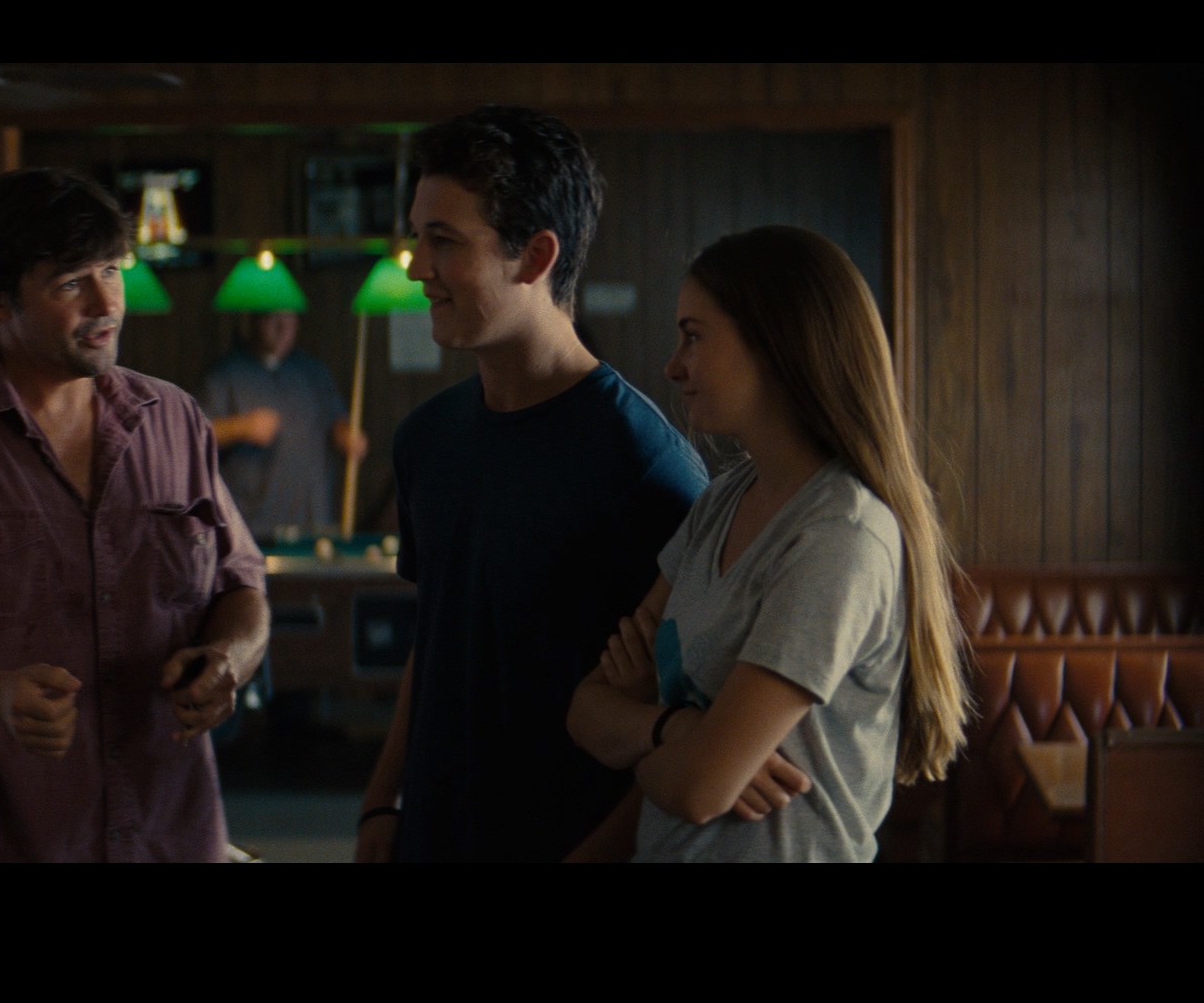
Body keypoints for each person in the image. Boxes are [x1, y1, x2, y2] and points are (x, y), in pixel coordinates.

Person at [0, 168, 270, 862]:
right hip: (0, 837)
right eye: (70, 284)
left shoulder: (176, 420)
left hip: (170, 833)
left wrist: (227, 662)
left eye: (112, 271)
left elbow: (242, 584)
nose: (106, 302)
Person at [355, 106, 710, 863]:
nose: (415, 267)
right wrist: (382, 801)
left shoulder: (648, 467)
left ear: (535, 256)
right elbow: (436, 638)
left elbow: (687, 720)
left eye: (444, 240)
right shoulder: (426, 440)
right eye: (417, 236)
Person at [564, 226, 971, 862]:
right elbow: (585, 711)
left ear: (778, 345)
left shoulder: (841, 535)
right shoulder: (721, 502)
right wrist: (679, 728)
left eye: (694, 336)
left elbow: (700, 789)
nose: (673, 366)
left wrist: (651, 737)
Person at [202, 310, 368, 543]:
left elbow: (337, 420)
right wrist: (240, 427)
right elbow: (195, 437)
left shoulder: (313, 372)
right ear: (253, 320)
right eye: (272, 318)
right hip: (252, 530)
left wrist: (347, 435)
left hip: (312, 528)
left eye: (289, 318)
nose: (282, 328)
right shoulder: (225, 374)